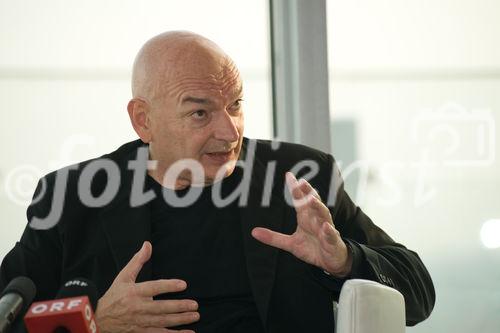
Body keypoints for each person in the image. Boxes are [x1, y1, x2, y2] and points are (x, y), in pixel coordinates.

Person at [0, 31, 435, 333]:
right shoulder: (74, 197)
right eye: (201, 113)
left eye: (236, 104)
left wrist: (342, 260)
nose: (230, 132)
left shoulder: (299, 178)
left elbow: (419, 293)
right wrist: (95, 323)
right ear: (143, 120)